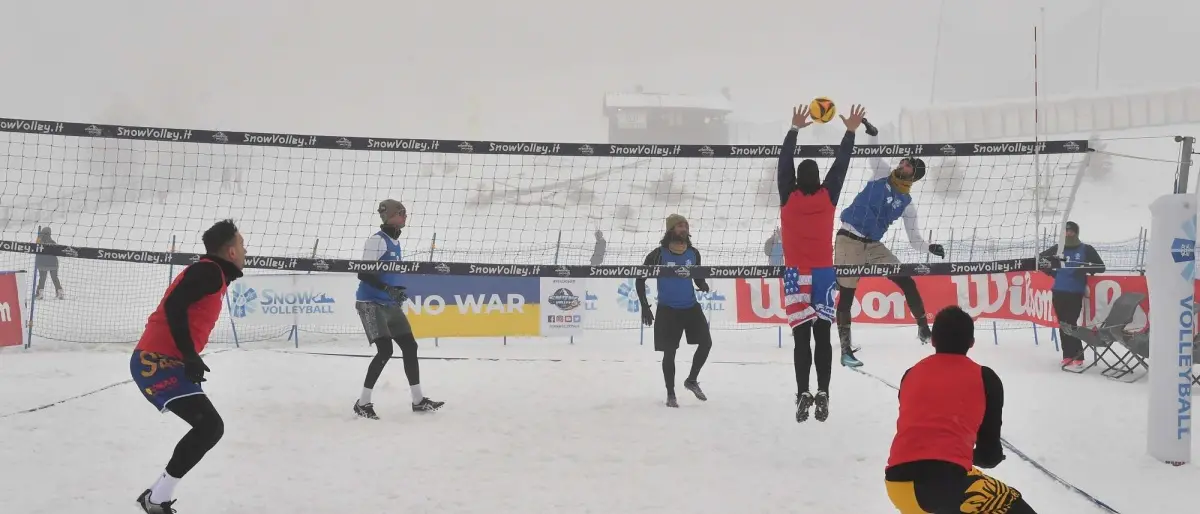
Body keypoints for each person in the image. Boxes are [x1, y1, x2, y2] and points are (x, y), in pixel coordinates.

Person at [131, 219, 246, 514]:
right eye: (242, 245)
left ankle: (156, 496)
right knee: (210, 427)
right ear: (230, 252)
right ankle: (156, 500)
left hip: (165, 358)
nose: (246, 251)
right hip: (155, 361)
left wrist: (188, 355)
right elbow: (174, 306)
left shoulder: (213, 273)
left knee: (208, 428)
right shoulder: (208, 271)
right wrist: (189, 355)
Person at [884, 305, 1039, 514]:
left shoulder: (910, 374)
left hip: (897, 484)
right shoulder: (986, 379)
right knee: (1011, 503)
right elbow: (989, 455)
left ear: (933, 340)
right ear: (971, 343)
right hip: (943, 487)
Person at [778, 102, 864, 422]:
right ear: (819, 179)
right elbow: (840, 166)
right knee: (822, 336)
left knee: (801, 339)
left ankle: (803, 392)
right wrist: (850, 131)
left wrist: (794, 129)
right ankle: (824, 392)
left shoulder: (789, 197)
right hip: (824, 274)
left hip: (794, 275)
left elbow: (784, 163)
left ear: (797, 180)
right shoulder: (828, 198)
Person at [834, 141, 946, 367]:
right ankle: (846, 350)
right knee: (847, 293)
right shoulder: (882, 174)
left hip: (873, 245)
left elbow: (915, 241)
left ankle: (924, 329)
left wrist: (929, 247)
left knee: (906, 279)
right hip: (849, 238)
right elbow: (873, 153)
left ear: (913, 176)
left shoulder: (907, 205)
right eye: (903, 161)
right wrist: (872, 135)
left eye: (908, 165)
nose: (902, 164)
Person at [353, 199, 443, 419]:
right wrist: (386, 288)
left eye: (405, 212)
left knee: (410, 346)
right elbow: (363, 273)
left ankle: (418, 400)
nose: (405, 216)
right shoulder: (377, 241)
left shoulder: (395, 242)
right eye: (401, 213)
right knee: (385, 351)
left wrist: (395, 290)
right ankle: (362, 403)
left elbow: (385, 274)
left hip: (389, 303)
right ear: (390, 216)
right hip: (370, 303)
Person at [635, 214, 713, 408]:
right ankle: (671, 394)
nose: (684, 228)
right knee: (669, 353)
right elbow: (639, 278)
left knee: (706, 343)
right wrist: (644, 306)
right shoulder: (658, 254)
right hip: (668, 310)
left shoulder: (693, 253)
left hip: (690, 307)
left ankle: (692, 380)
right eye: (679, 226)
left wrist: (702, 283)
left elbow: (696, 276)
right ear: (671, 230)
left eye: (685, 225)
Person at [1039, 221, 1106, 368]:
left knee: (1071, 323)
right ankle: (1067, 355)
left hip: (1075, 291)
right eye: (1066, 231)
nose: (1068, 234)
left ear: (1076, 233)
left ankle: (1078, 355)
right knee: (1063, 324)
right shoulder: (1058, 248)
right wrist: (1052, 272)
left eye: (1071, 231)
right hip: (1058, 291)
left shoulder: (1086, 249)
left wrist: (1084, 268)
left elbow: (1101, 267)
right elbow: (1040, 260)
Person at [35, 226, 64, 300]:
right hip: (53, 263)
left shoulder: (39, 242)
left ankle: (39, 293)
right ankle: (59, 291)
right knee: (55, 278)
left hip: (42, 263)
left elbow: (36, 249)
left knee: (42, 278)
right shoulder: (53, 242)